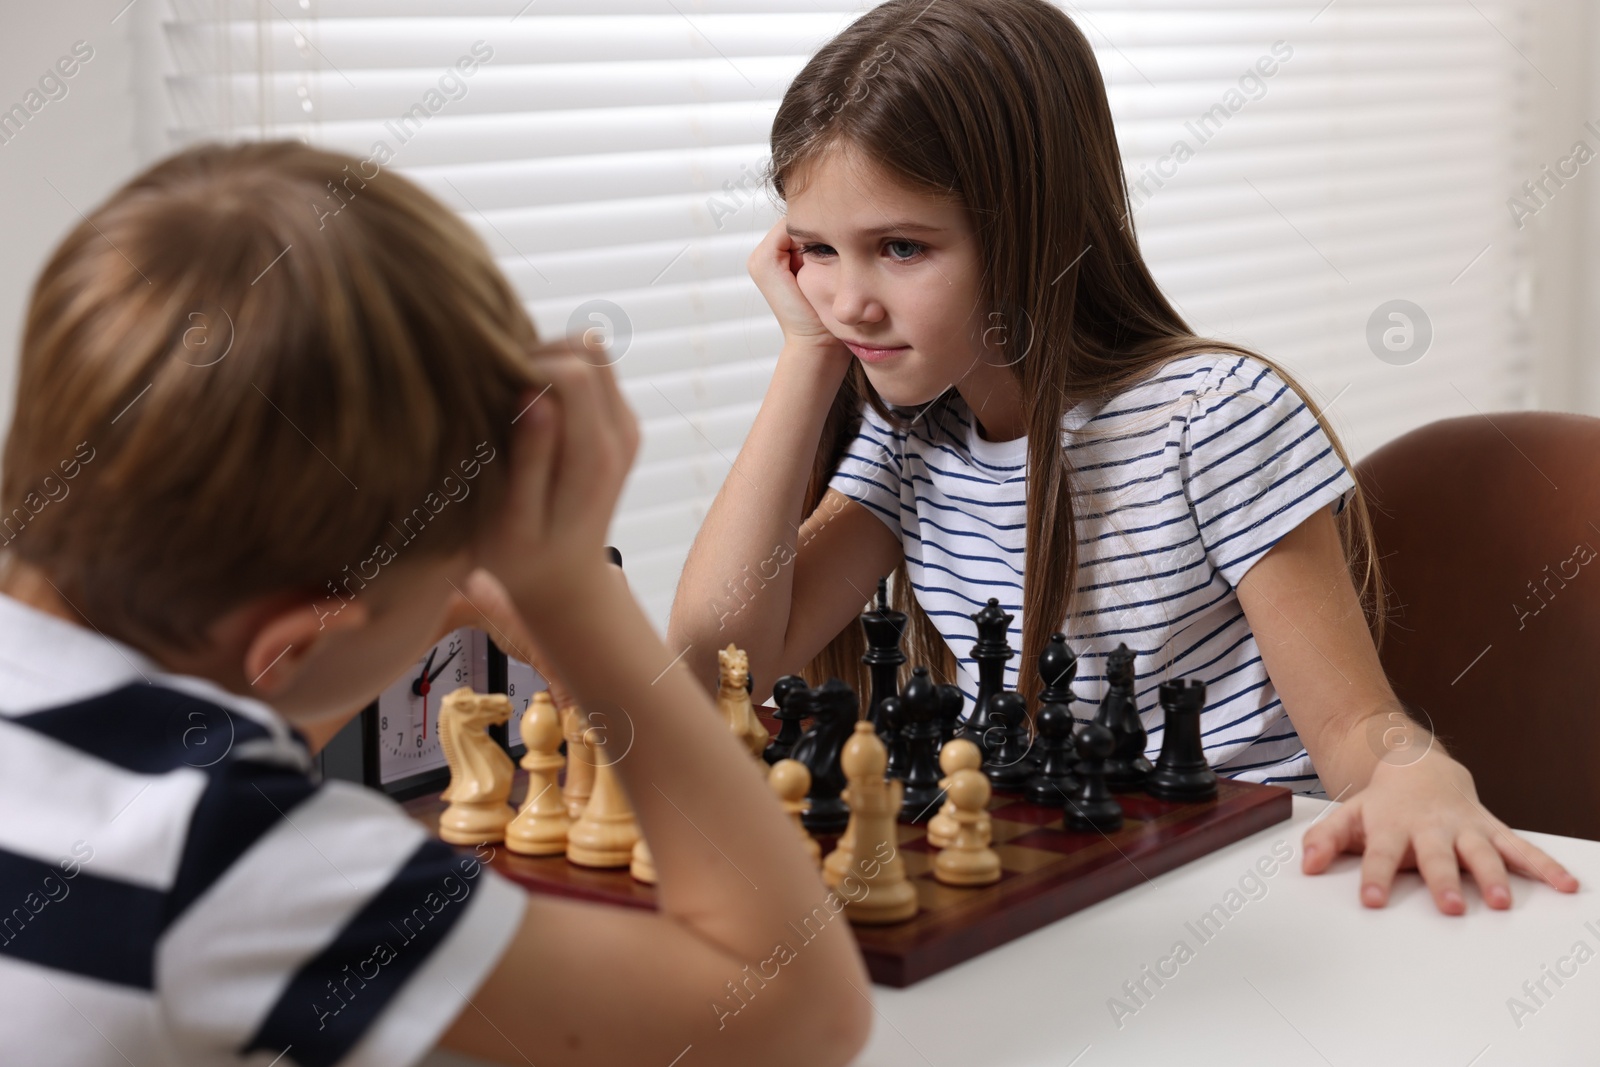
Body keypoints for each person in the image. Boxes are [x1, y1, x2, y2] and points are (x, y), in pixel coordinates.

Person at [669, 0, 1577, 916]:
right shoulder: (912, 440)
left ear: (1035, 227)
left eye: (902, 247)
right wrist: (804, 355)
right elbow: (716, 658)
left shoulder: (1213, 418)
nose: (851, 300)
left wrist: (1417, 778)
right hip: (1056, 889)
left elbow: (1355, 728)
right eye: (816, 250)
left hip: (1251, 889)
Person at [0, 141, 871, 1067]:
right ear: (293, 646)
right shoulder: (229, 854)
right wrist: (569, 591)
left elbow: (199, 729)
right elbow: (798, 1012)